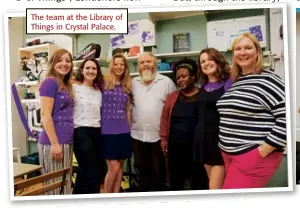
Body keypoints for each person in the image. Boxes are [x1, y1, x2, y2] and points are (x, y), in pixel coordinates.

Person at [216, 32, 286, 189]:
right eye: (238, 48)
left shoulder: (269, 80)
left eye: (248, 48)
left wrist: (261, 152)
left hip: (252, 155)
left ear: (258, 52)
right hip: (229, 154)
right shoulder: (238, 81)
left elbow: (286, 118)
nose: (242, 52)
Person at [131, 52, 177, 192]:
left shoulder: (166, 82)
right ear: (139, 66)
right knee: (141, 171)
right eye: (142, 62)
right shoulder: (133, 83)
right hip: (137, 136)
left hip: (158, 137)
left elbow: (173, 108)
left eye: (148, 61)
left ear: (155, 64)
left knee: (158, 172)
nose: (145, 65)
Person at [160, 58, 208, 191]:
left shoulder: (203, 96)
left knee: (199, 183)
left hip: (196, 150)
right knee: (176, 184)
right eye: (178, 77)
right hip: (175, 150)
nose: (180, 80)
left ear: (193, 76)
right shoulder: (172, 97)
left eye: (184, 76)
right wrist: (163, 140)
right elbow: (164, 118)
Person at [193, 48, 232, 189]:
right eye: (202, 61)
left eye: (210, 59)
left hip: (219, 140)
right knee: (215, 186)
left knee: (214, 189)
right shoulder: (203, 86)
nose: (206, 63)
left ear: (218, 60)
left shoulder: (229, 83)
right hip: (202, 140)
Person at [38, 48, 74, 195]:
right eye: (60, 60)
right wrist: (54, 143)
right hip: (54, 142)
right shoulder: (50, 82)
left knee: (63, 186)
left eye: (68, 60)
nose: (64, 64)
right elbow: (45, 115)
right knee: (55, 188)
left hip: (65, 141)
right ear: (53, 63)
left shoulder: (65, 85)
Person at [101, 53, 132, 193]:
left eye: (122, 64)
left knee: (120, 166)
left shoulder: (127, 85)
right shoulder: (103, 82)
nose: (119, 67)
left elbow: (128, 111)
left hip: (124, 130)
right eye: (116, 63)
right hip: (107, 131)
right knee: (113, 167)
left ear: (125, 67)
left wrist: (129, 129)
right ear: (111, 65)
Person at [72, 59, 104, 194]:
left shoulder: (98, 91)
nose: (91, 71)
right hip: (80, 132)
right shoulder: (74, 88)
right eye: (88, 68)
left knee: (84, 171)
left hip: (97, 132)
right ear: (82, 70)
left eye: (94, 69)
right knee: (92, 174)